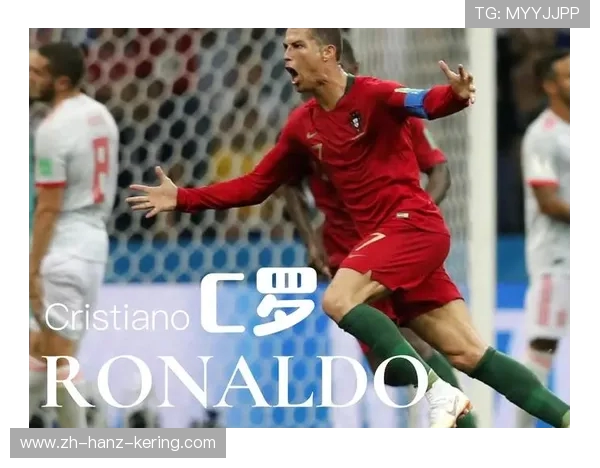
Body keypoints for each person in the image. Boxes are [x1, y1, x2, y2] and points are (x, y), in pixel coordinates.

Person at [128, 28, 570, 428]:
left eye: (296, 46)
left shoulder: (375, 94)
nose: (286, 56)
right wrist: (183, 198)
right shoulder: (302, 126)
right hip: (381, 242)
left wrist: (453, 95)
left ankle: (442, 394)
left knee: (338, 300)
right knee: (468, 352)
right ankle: (570, 421)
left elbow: (425, 102)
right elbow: (258, 184)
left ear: (328, 53)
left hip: (411, 225)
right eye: (283, 47)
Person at [281, 38, 477, 428]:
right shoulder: (304, 126)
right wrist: (310, 238)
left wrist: (412, 222)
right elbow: (286, 183)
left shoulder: (387, 109)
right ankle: (448, 402)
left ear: (352, 67)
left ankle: (467, 426)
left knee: (423, 343)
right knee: (387, 366)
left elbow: (439, 170)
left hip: (395, 244)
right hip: (344, 250)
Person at [29, 41, 119, 428]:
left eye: (36, 73)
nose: (27, 79)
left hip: (61, 249)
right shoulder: (101, 116)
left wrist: (31, 268)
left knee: (55, 360)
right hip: (93, 246)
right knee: (48, 355)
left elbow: (48, 207)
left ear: (61, 81)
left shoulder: (52, 130)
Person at [517, 49, 570, 428]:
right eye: (570, 76)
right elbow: (547, 202)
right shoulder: (541, 136)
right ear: (550, 85)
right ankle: (517, 437)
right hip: (558, 260)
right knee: (543, 344)